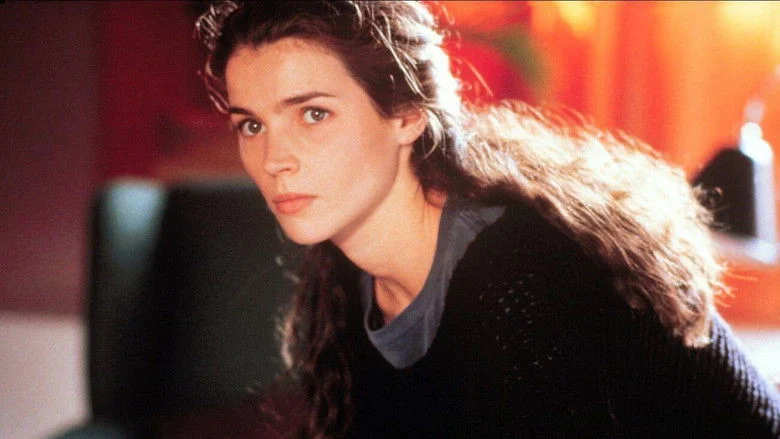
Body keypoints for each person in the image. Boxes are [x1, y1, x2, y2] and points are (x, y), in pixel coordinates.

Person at [194, 1, 780, 437]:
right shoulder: (347, 276)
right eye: (252, 124)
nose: (273, 159)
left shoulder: (520, 271)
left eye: (313, 114)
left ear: (407, 115)